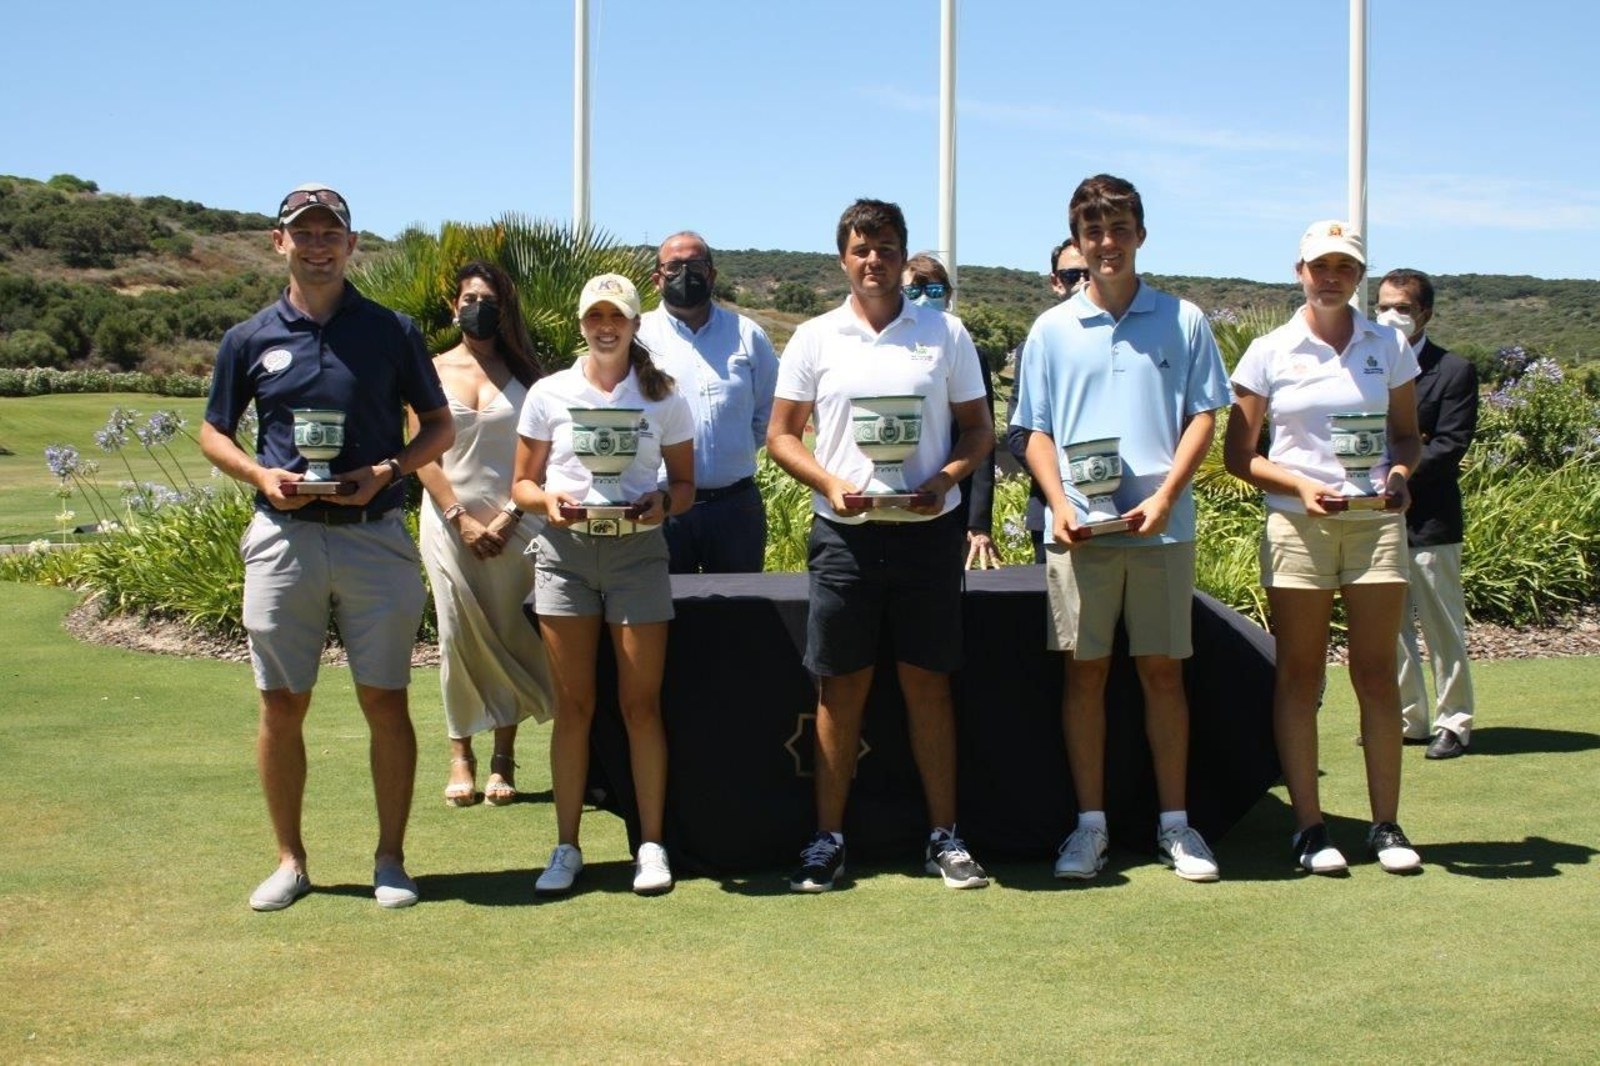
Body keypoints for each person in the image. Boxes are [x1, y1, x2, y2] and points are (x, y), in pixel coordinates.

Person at [199, 183, 454, 911]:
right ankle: (291, 861)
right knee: (282, 704)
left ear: (351, 244)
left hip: (374, 536)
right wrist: (258, 474)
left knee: (386, 699)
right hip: (284, 540)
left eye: (330, 234)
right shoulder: (249, 338)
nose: (317, 246)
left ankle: (391, 860)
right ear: (279, 242)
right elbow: (214, 430)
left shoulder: (392, 330)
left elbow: (439, 426)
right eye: (303, 233)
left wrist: (390, 470)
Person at [767, 198, 995, 892]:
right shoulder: (814, 338)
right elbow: (781, 435)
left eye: (887, 247)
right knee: (840, 690)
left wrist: (946, 480)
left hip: (928, 535)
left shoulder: (946, 333)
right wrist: (829, 483)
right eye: (862, 248)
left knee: (929, 687)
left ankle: (944, 836)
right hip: (845, 536)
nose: (874, 260)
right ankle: (827, 840)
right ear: (844, 258)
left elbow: (978, 430)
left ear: (902, 254)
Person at [1014, 174, 1230, 883]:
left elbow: (1203, 415)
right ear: (1077, 242)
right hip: (1079, 532)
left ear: (1140, 234)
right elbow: (1035, 430)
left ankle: (1176, 825)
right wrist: (1058, 502)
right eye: (1093, 232)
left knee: (1163, 674)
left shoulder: (1183, 319)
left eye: (1118, 230)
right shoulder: (1050, 329)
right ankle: (1090, 827)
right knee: (1086, 675)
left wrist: (1167, 496)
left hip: (1161, 529)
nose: (1107, 243)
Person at [1224, 220, 1424, 875]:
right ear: (1300, 272)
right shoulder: (1269, 351)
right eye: (1321, 266)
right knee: (1300, 675)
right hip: (1298, 525)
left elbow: (1407, 436)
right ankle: (1309, 829)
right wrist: (1300, 487)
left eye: (1345, 267)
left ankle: (1386, 825)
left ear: (1360, 276)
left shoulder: (1388, 345)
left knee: (1376, 672)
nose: (1332, 278)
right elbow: (1240, 455)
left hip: (1375, 524)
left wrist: (1400, 475)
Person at [512, 273, 695, 896]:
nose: (606, 327)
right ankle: (566, 845)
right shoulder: (549, 393)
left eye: (617, 317)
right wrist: (548, 502)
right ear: (582, 324)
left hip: (637, 554)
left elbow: (685, 486)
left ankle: (651, 845)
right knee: (575, 706)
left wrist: (662, 504)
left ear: (635, 325)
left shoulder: (664, 397)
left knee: (640, 705)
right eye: (595, 317)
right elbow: (522, 484)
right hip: (564, 554)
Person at [411, 261, 555, 808]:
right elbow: (421, 455)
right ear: (454, 306)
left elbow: (544, 455)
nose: (478, 308)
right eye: (470, 299)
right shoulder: (427, 370)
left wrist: (510, 517)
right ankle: (460, 755)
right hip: (449, 524)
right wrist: (461, 518)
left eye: (489, 300)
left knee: (509, 633)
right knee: (456, 636)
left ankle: (502, 759)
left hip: (516, 525)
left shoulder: (529, 376)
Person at [1374, 269, 1478, 760]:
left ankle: (1453, 722)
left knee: (1442, 627)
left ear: (1425, 314)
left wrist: (1396, 477)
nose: (1391, 315)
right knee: (1390, 627)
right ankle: (1409, 718)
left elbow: (1450, 444)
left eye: (1402, 308)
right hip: (1375, 517)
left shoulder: (1453, 370)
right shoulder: (1368, 363)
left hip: (1430, 519)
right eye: (1383, 306)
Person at [637, 232, 779, 573]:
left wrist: (732, 448)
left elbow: (769, 413)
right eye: (674, 267)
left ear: (712, 275)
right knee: (666, 605)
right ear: (657, 279)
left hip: (734, 507)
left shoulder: (747, 334)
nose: (685, 274)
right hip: (661, 507)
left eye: (696, 265)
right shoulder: (638, 337)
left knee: (740, 605)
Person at [901, 251, 999, 568]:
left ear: (948, 296)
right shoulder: (885, 352)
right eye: (912, 291)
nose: (924, 299)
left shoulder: (968, 352)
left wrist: (979, 522)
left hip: (953, 499)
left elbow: (982, 439)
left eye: (934, 290)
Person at [1006, 239, 1090, 562]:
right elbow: (1020, 433)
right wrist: (1067, 477)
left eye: (1089, 273)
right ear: (1056, 282)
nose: (1081, 281)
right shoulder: (1036, 342)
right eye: (1071, 275)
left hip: (1131, 511)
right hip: (1054, 512)